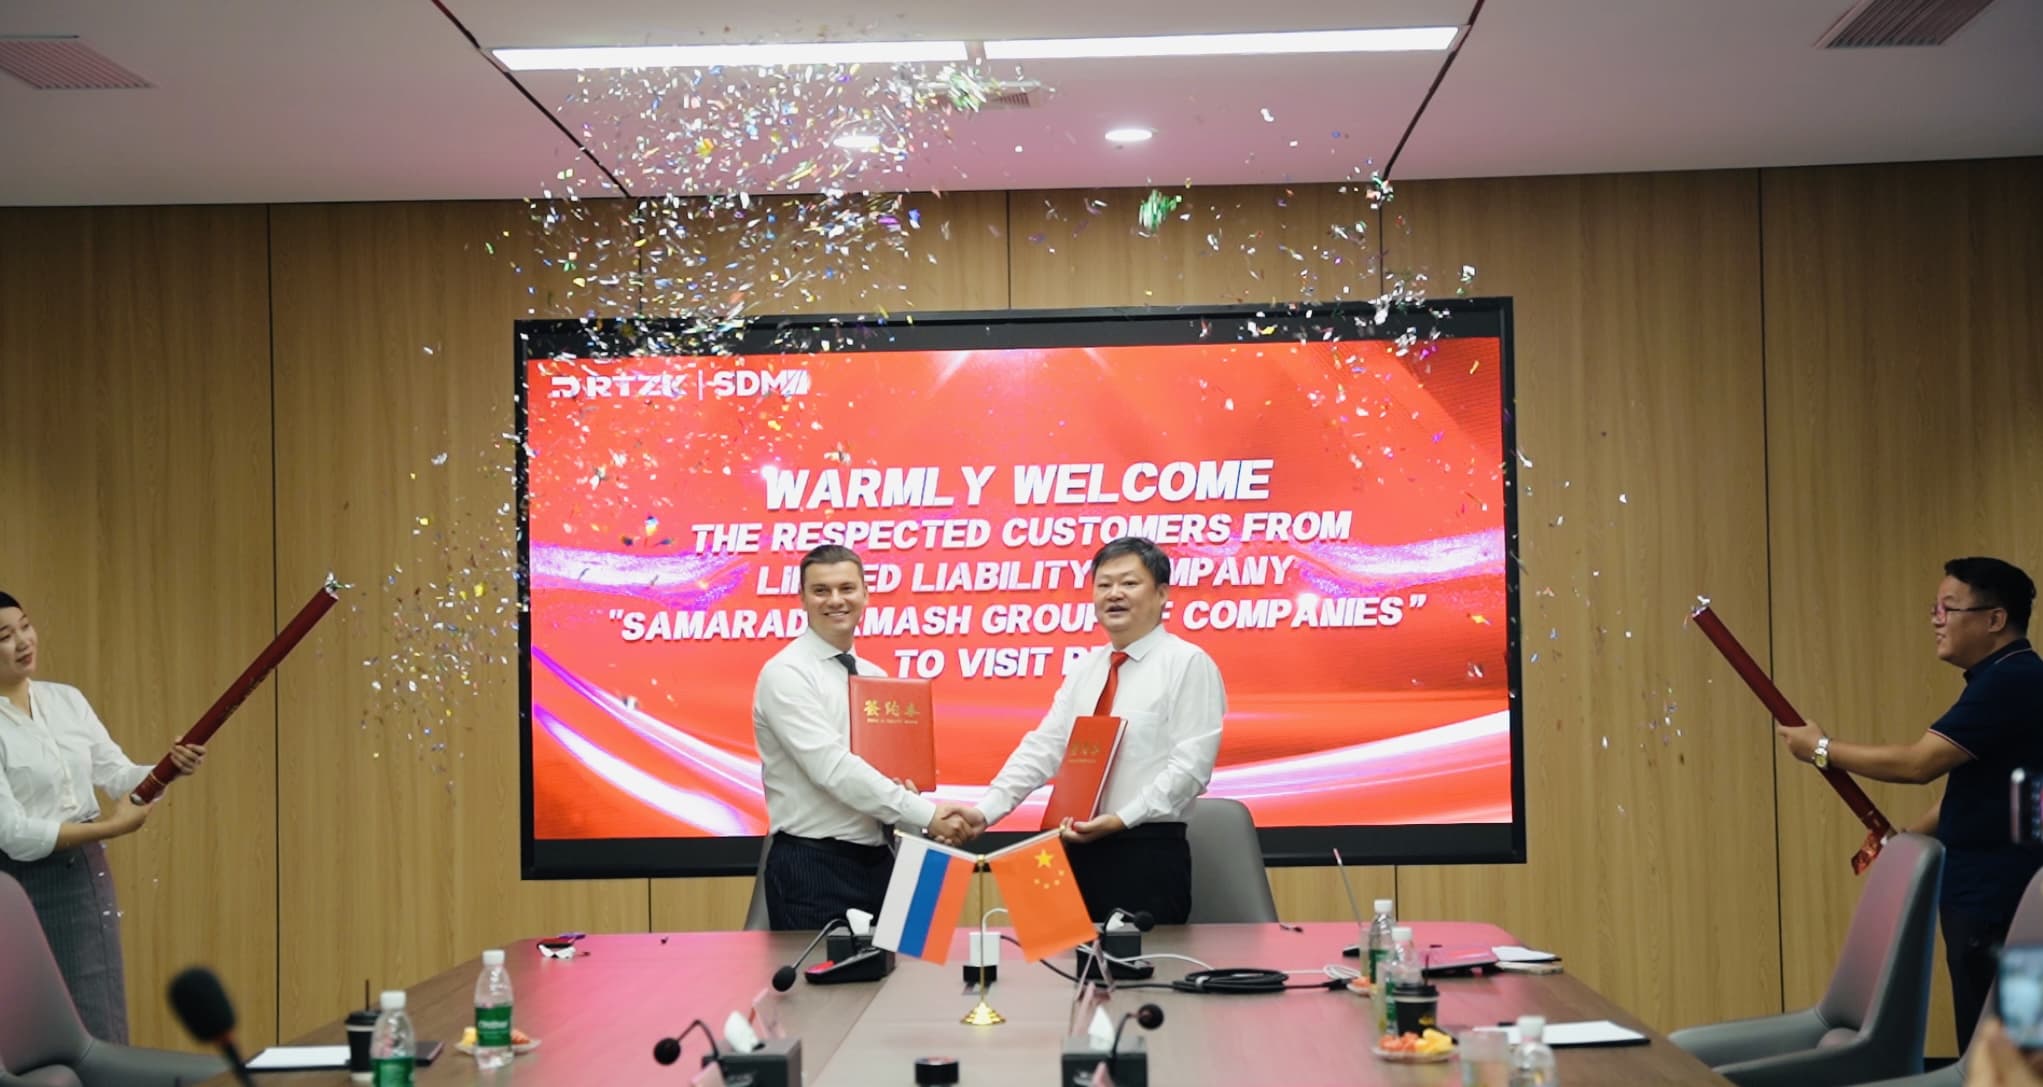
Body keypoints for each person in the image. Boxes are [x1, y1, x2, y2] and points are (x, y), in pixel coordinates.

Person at [1776, 557, 2043, 1051]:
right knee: (2005, 1046)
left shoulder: (2010, 681)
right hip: (1993, 895)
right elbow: (1975, 791)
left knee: (2002, 1052)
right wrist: (1907, 840)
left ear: (1995, 619)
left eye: (1948, 608)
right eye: (1933, 609)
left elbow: (1919, 764)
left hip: (1996, 900)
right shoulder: (2007, 678)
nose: (1936, 620)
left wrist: (1821, 749)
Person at [949, 537, 1227, 924]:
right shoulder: (1086, 668)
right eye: (1104, 584)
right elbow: (1044, 748)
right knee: (1058, 959)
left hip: (1144, 852)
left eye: (1129, 583)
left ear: (1162, 593)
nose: (1114, 594)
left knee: (1142, 962)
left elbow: (1190, 770)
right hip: (1071, 848)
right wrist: (986, 811)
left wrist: (1121, 818)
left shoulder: (1187, 663)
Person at [0, 590, 207, 1043]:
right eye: (5, 636)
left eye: (26, 626)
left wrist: (170, 766)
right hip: (9, 887)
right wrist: (112, 828)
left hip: (78, 881)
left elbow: (116, 774)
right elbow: (13, 834)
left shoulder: (67, 700)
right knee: (21, 1033)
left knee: (95, 1022)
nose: (23, 641)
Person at [753, 546, 972, 931]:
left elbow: (893, 775)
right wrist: (929, 816)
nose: (835, 600)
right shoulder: (786, 673)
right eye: (821, 591)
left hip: (880, 860)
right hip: (813, 868)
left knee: (896, 968)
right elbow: (833, 770)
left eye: (846, 588)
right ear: (802, 598)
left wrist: (920, 814)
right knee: (820, 972)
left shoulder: (875, 678)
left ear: (866, 594)